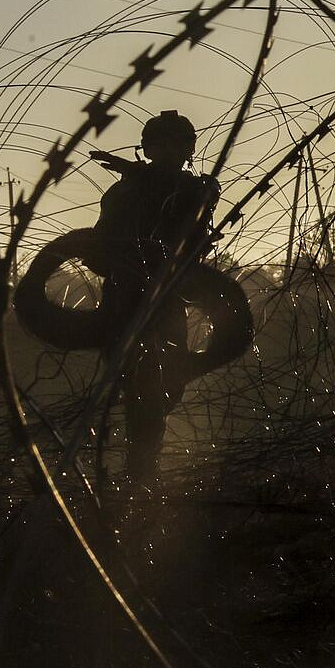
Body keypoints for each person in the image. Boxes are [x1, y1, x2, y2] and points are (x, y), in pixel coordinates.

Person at [88, 110, 220, 487]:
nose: (168, 154)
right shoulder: (128, 193)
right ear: (148, 150)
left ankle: (141, 469)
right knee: (138, 385)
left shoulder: (193, 191)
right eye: (162, 146)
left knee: (161, 385)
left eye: (174, 147)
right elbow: (99, 251)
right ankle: (139, 471)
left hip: (162, 299)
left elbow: (195, 227)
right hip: (130, 299)